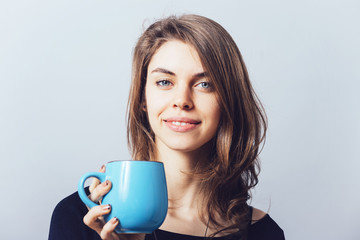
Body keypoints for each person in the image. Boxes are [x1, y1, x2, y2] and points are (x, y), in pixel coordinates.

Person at [49, 14, 285, 240]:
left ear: (228, 101)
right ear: (143, 98)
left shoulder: (265, 234)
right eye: (164, 82)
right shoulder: (81, 218)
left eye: (204, 84)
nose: (182, 100)